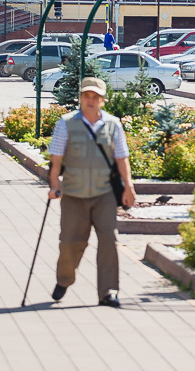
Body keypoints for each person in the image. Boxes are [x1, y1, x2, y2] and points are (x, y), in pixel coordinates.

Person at [48, 77, 136, 308]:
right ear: (80, 98)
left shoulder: (113, 124)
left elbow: (121, 158)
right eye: (87, 96)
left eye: (95, 97)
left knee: (109, 239)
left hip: (104, 193)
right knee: (70, 243)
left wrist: (129, 186)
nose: (90, 100)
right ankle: (64, 279)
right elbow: (56, 158)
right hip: (74, 194)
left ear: (103, 101)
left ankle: (108, 292)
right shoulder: (65, 123)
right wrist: (54, 185)